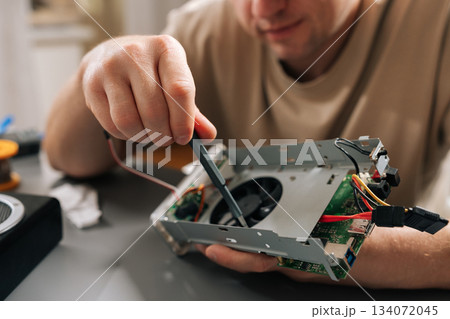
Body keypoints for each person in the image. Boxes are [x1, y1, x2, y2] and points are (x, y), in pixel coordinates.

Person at [45, 0, 450, 289]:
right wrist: (97, 64)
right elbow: (67, 157)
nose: (262, 10)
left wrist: (340, 248)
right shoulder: (202, 25)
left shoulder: (437, 21)